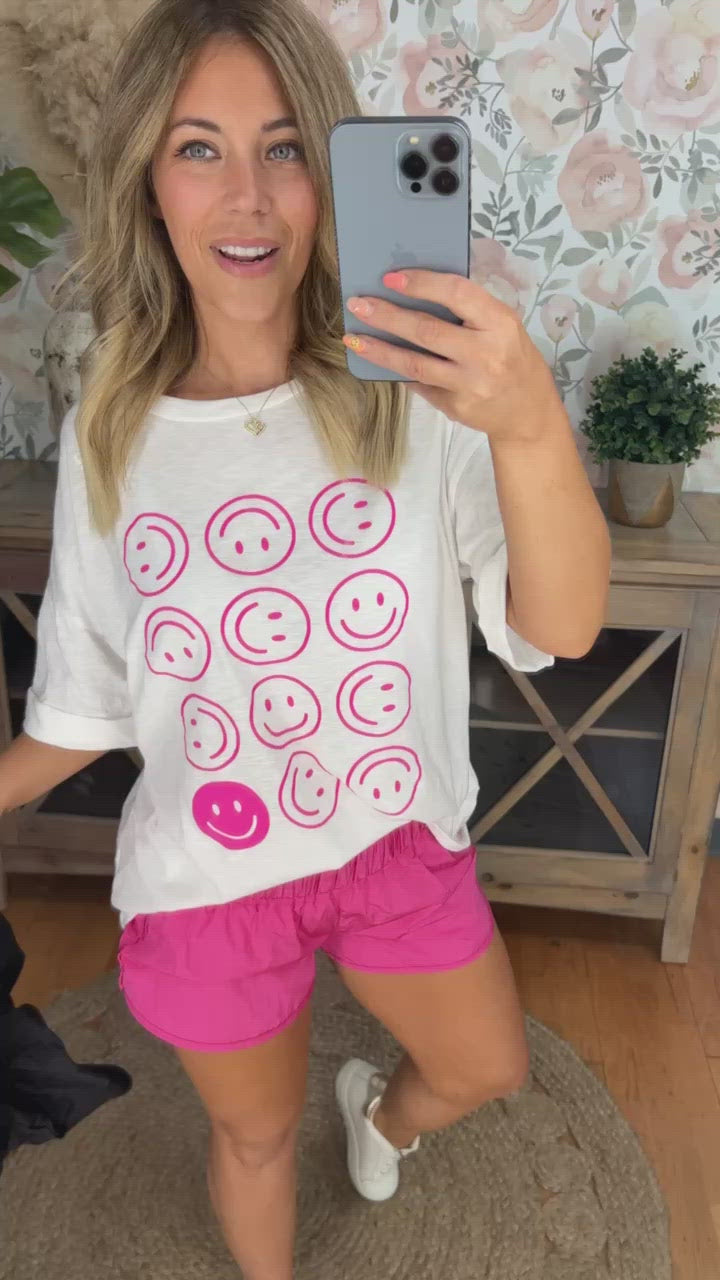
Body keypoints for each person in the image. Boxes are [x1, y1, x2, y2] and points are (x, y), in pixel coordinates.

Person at [0, 1, 611, 1277]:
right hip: (212, 875)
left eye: (284, 147)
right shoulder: (111, 415)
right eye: (199, 148)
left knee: (486, 1066)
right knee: (255, 1132)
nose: (248, 197)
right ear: (148, 180)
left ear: (334, 171)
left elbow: (560, 623)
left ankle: (379, 1113)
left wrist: (527, 420)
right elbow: (89, 691)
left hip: (395, 837)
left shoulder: (418, 384)